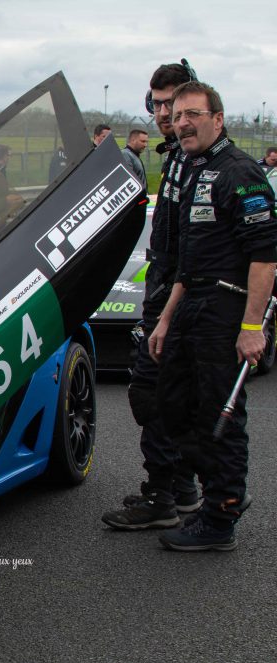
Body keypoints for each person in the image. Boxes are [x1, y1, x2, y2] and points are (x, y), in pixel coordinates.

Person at [147, 81, 277, 551]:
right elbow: (189, 260)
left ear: (217, 119)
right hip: (190, 304)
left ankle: (221, 514)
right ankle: (217, 494)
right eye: (176, 115)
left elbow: (265, 258)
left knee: (219, 415)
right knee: (173, 404)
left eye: (192, 115)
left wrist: (250, 327)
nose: (181, 123)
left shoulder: (240, 171)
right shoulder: (194, 168)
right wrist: (164, 319)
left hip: (226, 309)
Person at [103, 62, 200, 532]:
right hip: (164, 292)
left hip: (183, 302)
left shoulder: (201, 159)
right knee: (164, 395)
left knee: (153, 392)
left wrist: (169, 309)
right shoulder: (175, 156)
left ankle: (168, 495)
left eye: (171, 103)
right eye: (156, 104)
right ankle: (179, 487)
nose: (164, 113)